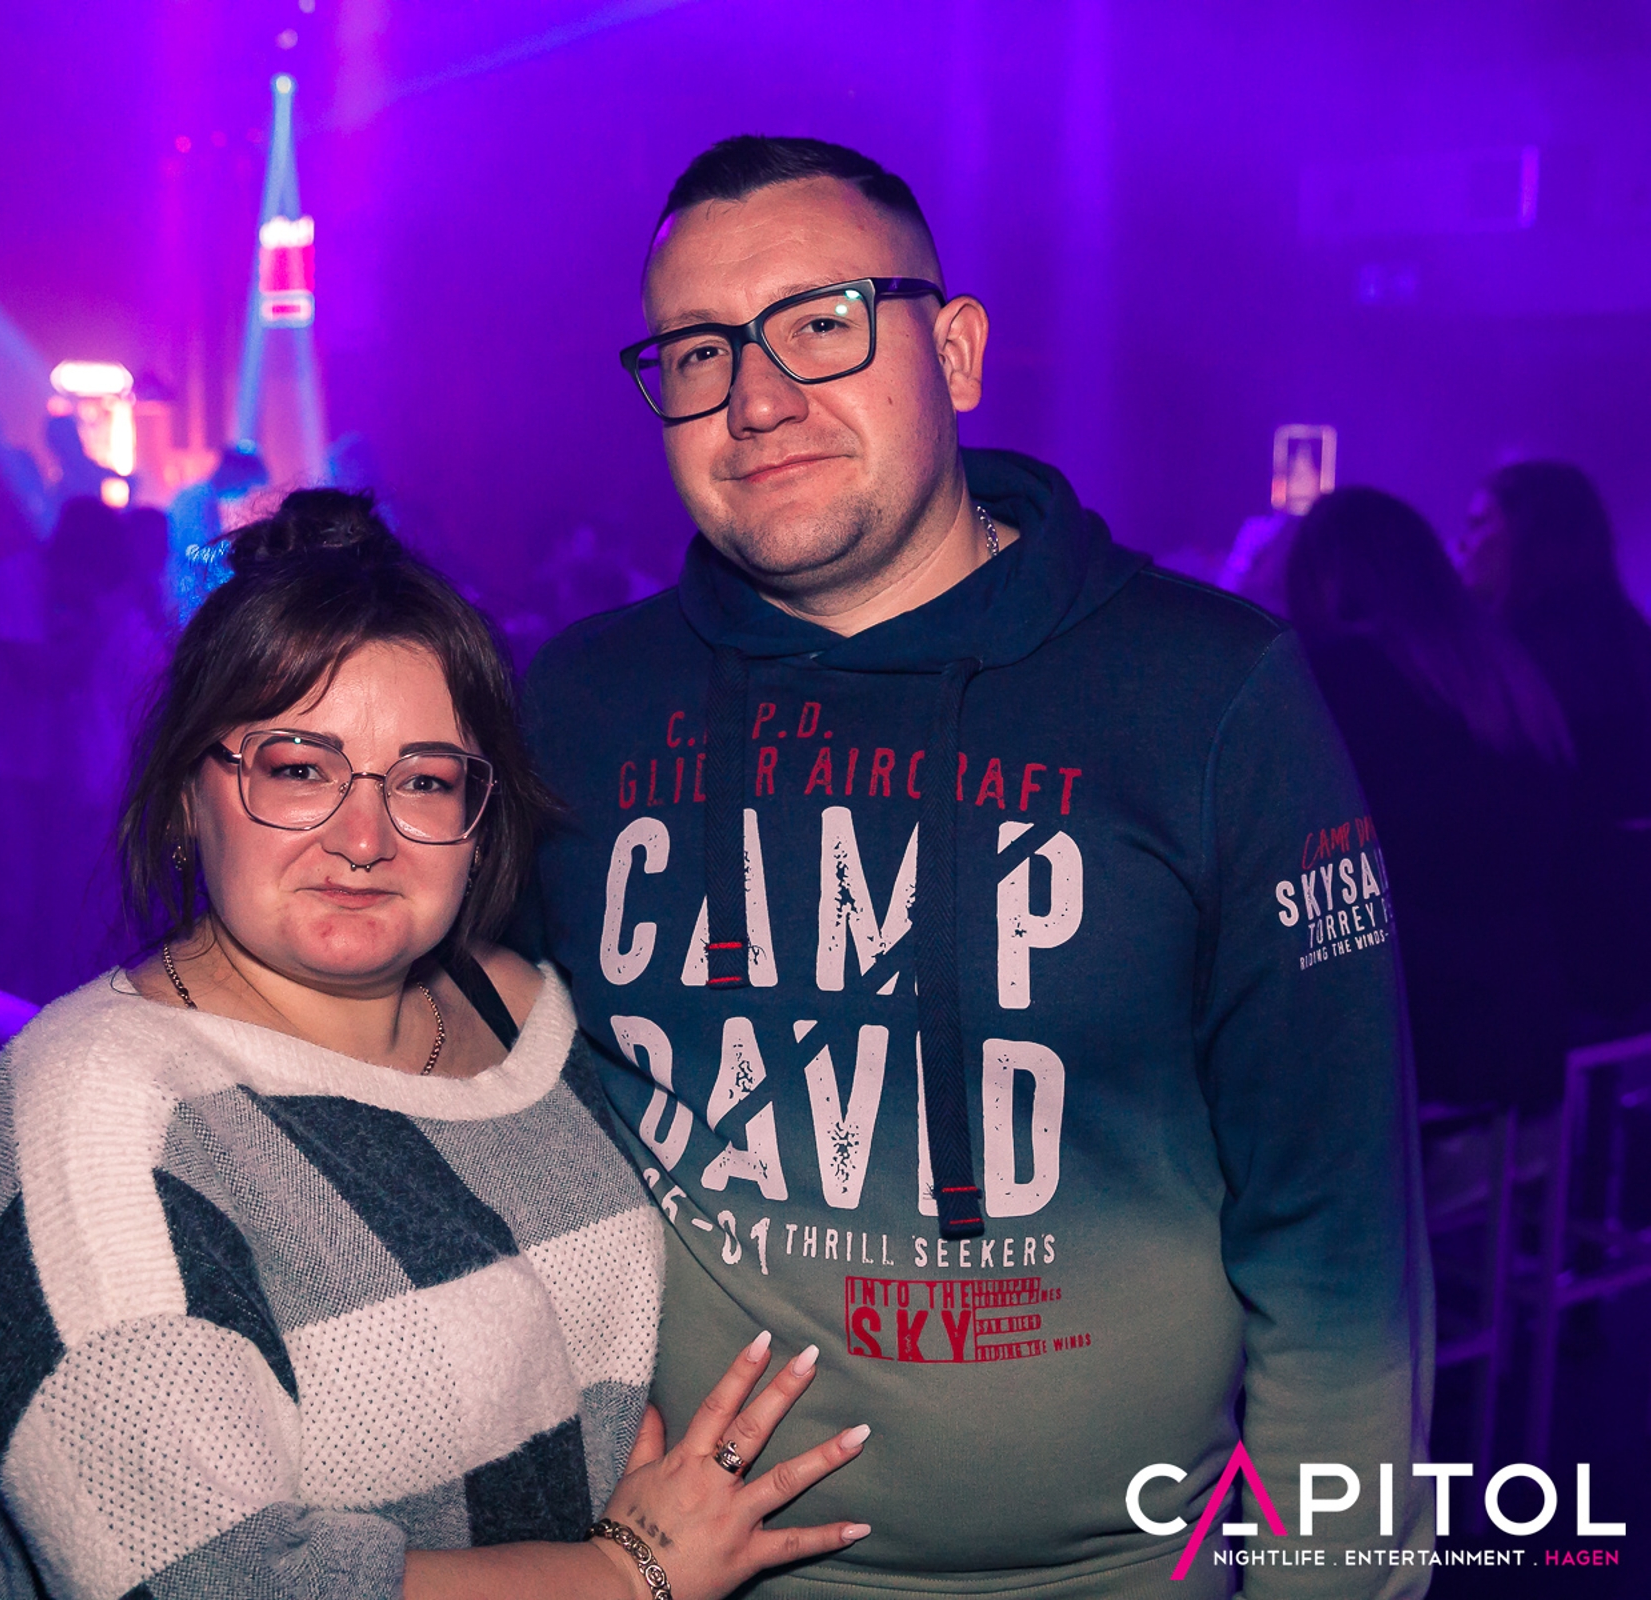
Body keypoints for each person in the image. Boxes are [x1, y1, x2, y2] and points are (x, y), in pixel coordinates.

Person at [516, 136, 1431, 1595]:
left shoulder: (1207, 693)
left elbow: (1338, 1253)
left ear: (954, 351)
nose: (756, 397)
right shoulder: (579, 706)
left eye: (821, 322)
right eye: (697, 351)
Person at [0, 489, 869, 1600]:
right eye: (298, 768)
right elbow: (201, 1583)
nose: (365, 837)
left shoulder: (528, 1014)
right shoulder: (98, 1106)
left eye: (423, 781)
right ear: (188, 793)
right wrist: (628, 1577)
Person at [1288, 488, 1574, 1113]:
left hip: (1405, 1029)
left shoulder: (1340, 676)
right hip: (1518, 1013)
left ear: (1321, 575)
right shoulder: (1505, 671)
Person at [1461, 460, 1651, 1030]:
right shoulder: (1633, 639)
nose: (1462, 543)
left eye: (1480, 523)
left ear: (1530, 536)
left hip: (1549, 935)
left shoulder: (1507, 657)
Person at [163, 443, 270, 624]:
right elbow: (194, 549)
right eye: (246, 483)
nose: (246, 492)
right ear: (233, 471)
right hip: (184, 596)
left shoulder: (204, 497)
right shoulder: (196, 497)